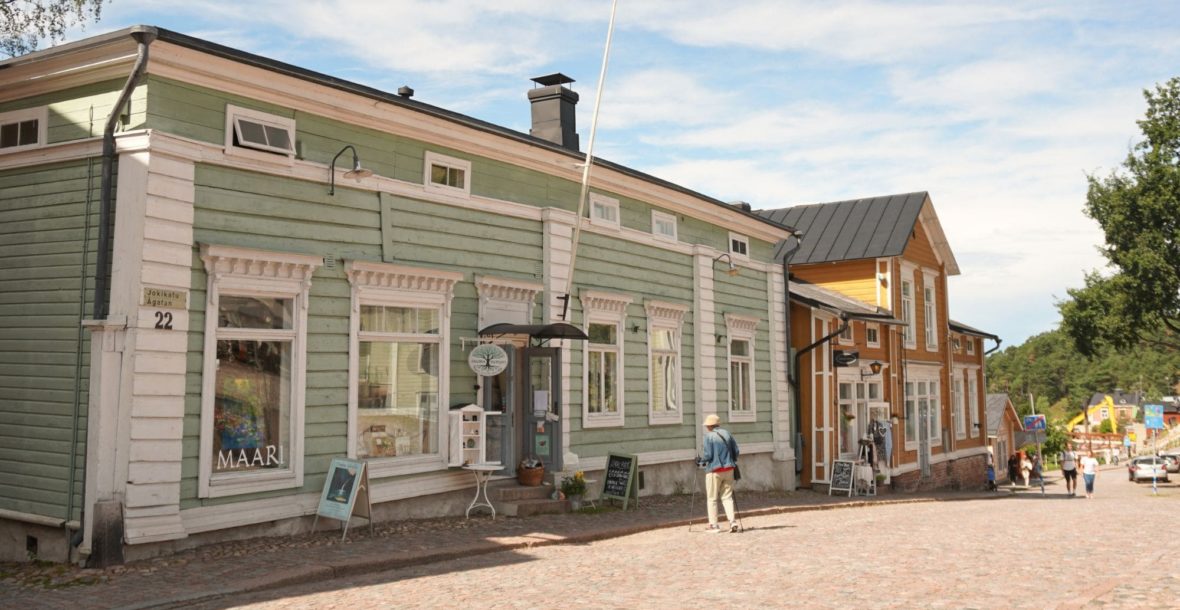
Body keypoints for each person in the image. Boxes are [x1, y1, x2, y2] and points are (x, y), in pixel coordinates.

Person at [699, 413, 740, 533]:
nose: (706, 427)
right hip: (729, 469)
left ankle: (714, 525)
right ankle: (732, 522)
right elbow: (736, 451)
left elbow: (708, 455)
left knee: (712, 498)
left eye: (707, 425)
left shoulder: (709, 437)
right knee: (727, 497)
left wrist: (700, 461)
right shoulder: (727, 434)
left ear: (710, 426)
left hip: (714, 471)